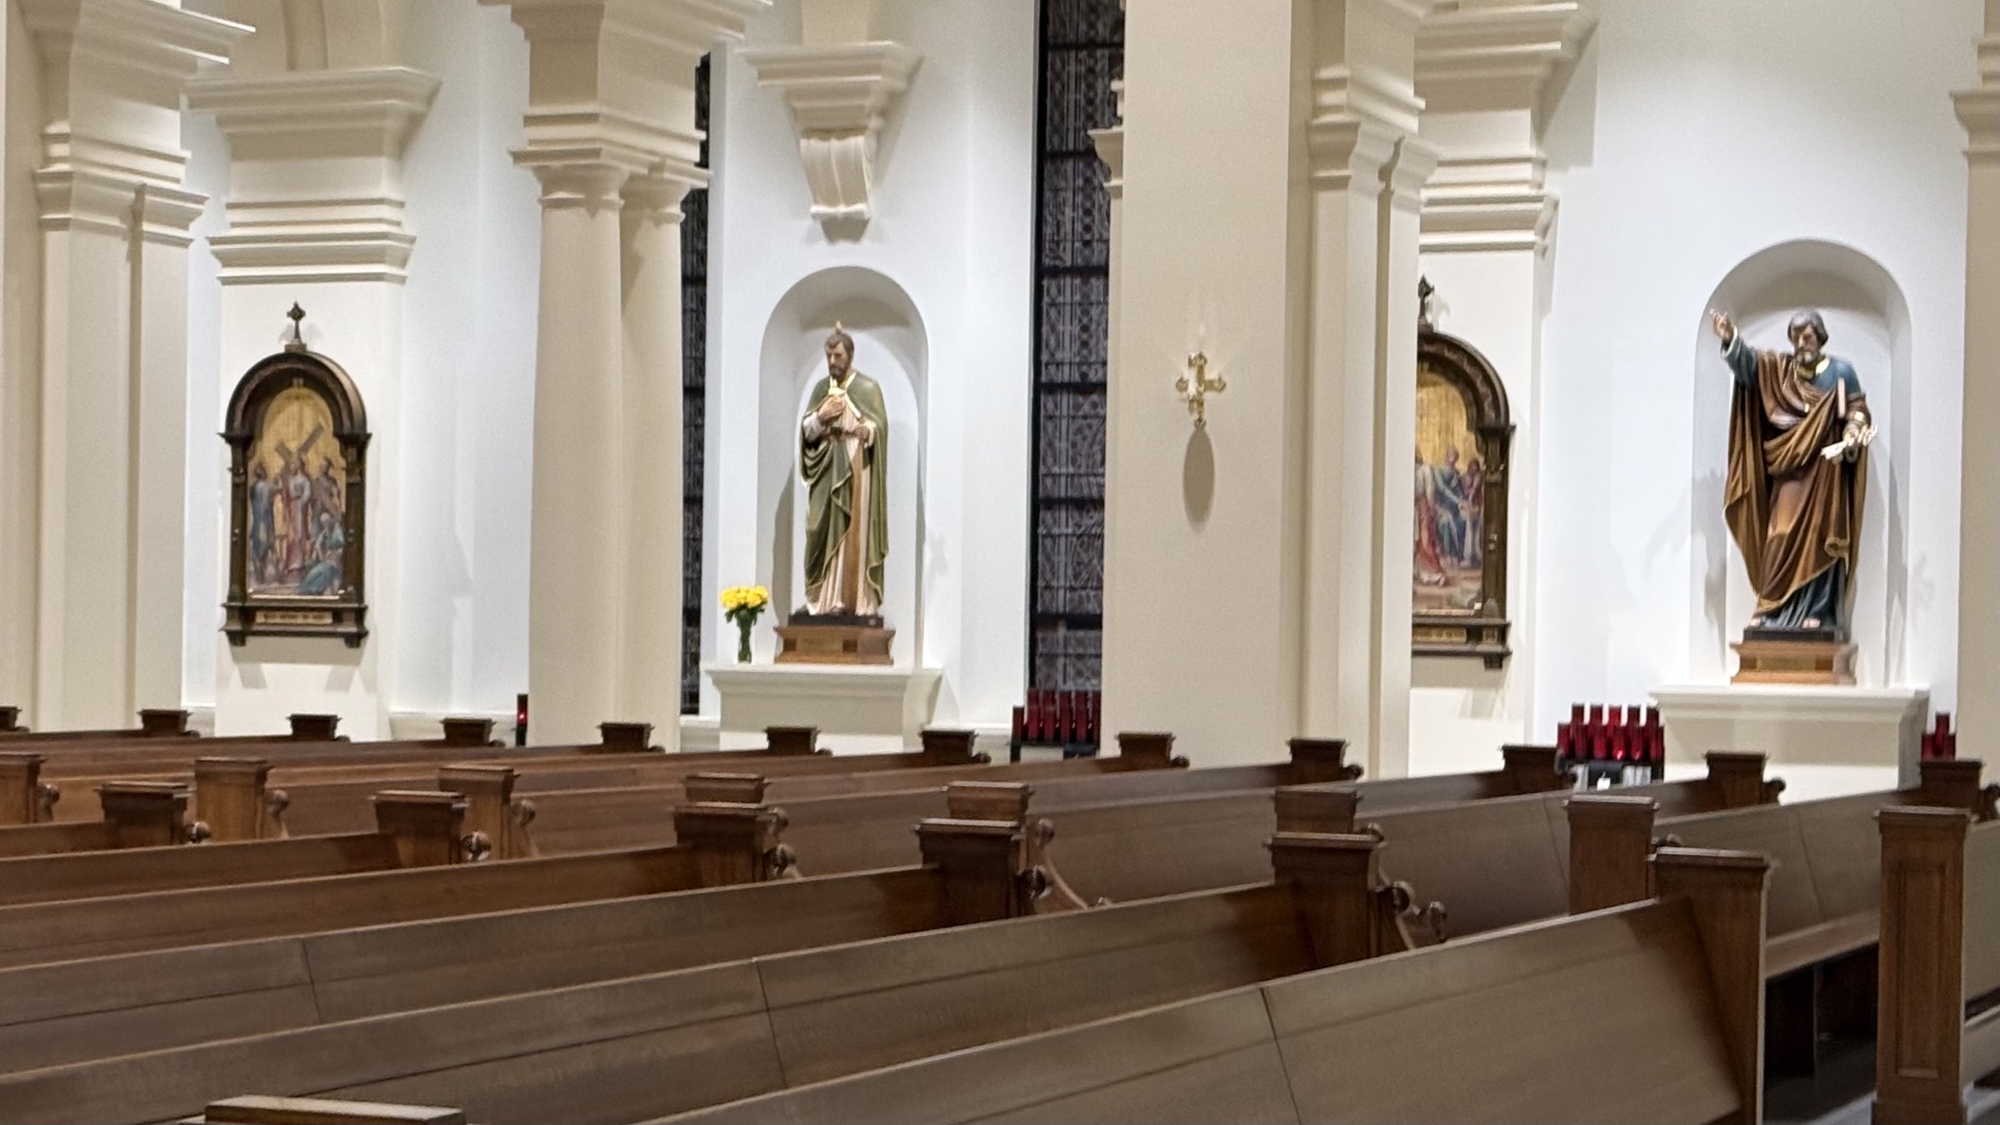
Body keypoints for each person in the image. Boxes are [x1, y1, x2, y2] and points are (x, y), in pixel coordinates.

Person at [1709, 307, 1873, 634]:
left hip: (1825, 471)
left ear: (1820, 338)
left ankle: (1820, 614)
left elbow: (1856, 409)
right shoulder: (1781, 370)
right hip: (1789, 470)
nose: (1802, 342)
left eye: (1808, 336)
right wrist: (1731, 340)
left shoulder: (1841, 371)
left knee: (1820, 537)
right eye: (1796, 337)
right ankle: (1771, 608)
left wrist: (1853, 432)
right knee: (1779, 534)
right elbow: (1750, 368)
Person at [800, 324, 890, 617]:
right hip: (826, 466)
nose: (832, 361)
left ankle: (851, 600)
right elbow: (807, 432)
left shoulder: (868, 388)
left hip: (855, 465)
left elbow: (879, 427)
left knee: (853, 529)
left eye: (837, 355)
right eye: (828, 356)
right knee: (817, 528)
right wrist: (820, 416)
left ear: (850, 355)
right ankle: (822, 600)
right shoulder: (820, 390)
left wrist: (869, 431)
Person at [249, 463, 276, 586]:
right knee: (264, 547)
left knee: (257, 547)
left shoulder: (253, 487)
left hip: (257, 520)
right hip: (265, 519)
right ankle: (261, 575)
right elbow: (266, 504)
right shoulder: (265, 486)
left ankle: (259, 575)